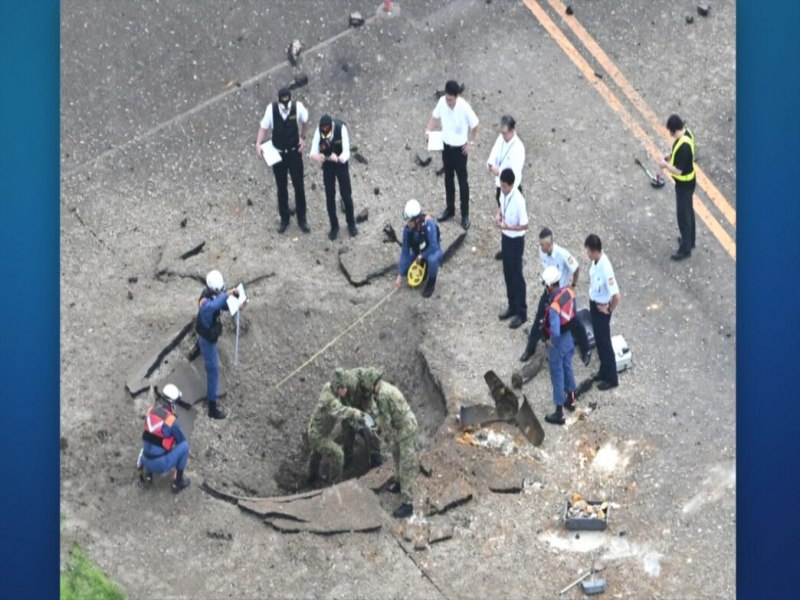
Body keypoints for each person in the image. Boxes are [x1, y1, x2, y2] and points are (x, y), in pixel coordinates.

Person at [520, 228, 591, 365]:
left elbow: (575, 268)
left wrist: (573, 286)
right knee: (539, 319)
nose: (540, 247)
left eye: (542, 244)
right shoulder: (542, 253)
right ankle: (530, 348)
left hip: (563, 293)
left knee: (573, 320)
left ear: (549, 244)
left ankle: (586, 349)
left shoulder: (562, 254)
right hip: (549, 290)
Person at [360, 368, 419, 519]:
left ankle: (408, 504)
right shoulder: (382, 388)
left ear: (372, 384)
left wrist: (382, 435)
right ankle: (399, 482)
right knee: (396, 453)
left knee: (407, 464)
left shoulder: (382, 395)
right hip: (399, 427)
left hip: (406, 428)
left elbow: (385, 421)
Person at [425, 80, 479, 231]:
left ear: (456, 96)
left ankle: (465, 215)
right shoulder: (442, 102)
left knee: (463, 183)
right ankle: (450, 209)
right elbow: (435, 117)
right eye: (447, 98)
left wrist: (471, 143)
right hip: (446, 147)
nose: (448, 102)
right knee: (448, 179)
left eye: (450, 99)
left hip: (460, 150)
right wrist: (428, 129)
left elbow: (475, 126)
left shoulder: (464, 107)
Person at [255, 87, 310, 234]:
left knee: (299, 186)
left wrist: (303, 138)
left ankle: (302, 218)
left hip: (294, 153)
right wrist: (258, 143)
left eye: (288, 103)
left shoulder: (297, 107)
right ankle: (284, 218)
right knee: (281, 188)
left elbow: (306, 121)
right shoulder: (270, 110)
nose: (286, 106)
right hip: (278, 155)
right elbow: (263, 128)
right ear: (278, 100)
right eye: (283, 103)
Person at [307, 368, 369, 483]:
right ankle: (334, 482)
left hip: (317, 430)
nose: (345, 390)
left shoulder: (329, 387)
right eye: (342, 388)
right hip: (318, 435)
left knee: (317, 452)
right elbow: (340, 410)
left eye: (345, 387)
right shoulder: (330, 400)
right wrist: (354, 412)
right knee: (338, 455)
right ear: (337, 387)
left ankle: (312, 476)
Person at [196, 269, 240, 419]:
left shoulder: (212, 294)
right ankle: (212, 407)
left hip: (204, 329)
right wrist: (227, 295)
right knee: (213, 370)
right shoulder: (206, 305)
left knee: (200, 340)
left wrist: (236, 303)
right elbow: (216, 305)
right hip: (207, 338)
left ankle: (196, 349)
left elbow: (222, 303)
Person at [539, 267, 578, 425]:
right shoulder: (569, 293)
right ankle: (572, 399)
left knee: (557, 374)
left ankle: (559, 412)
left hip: (558, 342)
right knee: (568, 367)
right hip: (569, 338)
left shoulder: (554, 306)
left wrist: (550, 342)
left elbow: (554, 331)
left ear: (549, 285)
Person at [310, 115, 358, 240]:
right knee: (329, 196)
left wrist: (339, 158)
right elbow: (312, 152)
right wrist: (318, 157)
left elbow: (347, 151)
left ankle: (351, 223)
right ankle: (334, 226)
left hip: (341, 164)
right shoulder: (318, 132)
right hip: (327, 166)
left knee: (346, 194)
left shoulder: (341, 128)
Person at [138, 384, 191, 492]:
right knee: (184, 446)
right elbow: (181, 441)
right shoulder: (171, 421)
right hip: (160, 465)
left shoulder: (150, 411)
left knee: (152, 441)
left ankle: (148, 476)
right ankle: (178, 483)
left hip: (144, 459)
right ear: (172, 404)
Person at [584, 234, 621, 391]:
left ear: (593, 251)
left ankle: (611, 377)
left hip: (602, 309)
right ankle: (603, 370)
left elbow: (617, 296)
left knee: (604, 342)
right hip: (594, 304)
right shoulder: (595, 262)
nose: (586, 253)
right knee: (599, 341)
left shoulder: (606, 267)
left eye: (587, 250)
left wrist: (609, 309)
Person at [486, 115, 525, 260]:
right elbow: (493, 155)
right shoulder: (500, 139)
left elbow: (514, 173)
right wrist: (491, 165)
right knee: (503, 219)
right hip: (501, 187)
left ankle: (517, 253)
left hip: (512, 189)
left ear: (512, 130)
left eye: (505, 133)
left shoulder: (519, 148)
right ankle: (506, 248)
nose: (503, 135)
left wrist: (499, 172)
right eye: (501, 132)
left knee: (514, 221)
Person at [658, 114, 696, 260]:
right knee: (689, 212)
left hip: (684, 185)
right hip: (689, 181)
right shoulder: (687, 135)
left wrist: (665, 165)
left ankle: (686, 249)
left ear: (675, 130)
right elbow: (678, 155)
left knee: (683, 217)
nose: (671, 135)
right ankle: (690, 241)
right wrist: (669, 156)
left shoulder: (684, 147)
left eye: (671, 132)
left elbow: (678, 170)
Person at [496, 168, 528, 329]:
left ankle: (522, 312)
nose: (501, 188)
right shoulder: (504, 193)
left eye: (503, 185)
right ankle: (512, 305)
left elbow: (525, 224)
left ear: (510, 185)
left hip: (516, 240)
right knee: (507, 272)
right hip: (505, 237)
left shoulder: (519, 200)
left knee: (517, 275)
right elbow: (502, 206)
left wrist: (509, 227)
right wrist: (499, 215)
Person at [395, 199, 443, 299]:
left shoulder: (429, 224)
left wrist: (421, 256)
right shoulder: (407, 230)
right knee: (406, 267)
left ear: (416, 219)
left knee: (432, 259)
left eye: (409, 220)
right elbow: (405, 252)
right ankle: (423, 268)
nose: (407, 223)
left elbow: (433, 247)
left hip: (432, 252)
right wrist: (400, 275)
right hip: (418, 253)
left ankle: (431, 282)